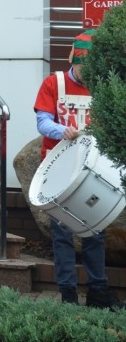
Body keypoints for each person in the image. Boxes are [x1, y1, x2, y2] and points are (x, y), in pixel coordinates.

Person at [33, 29, 124, 309]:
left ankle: (97, 291)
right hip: (57, 169)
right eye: (81, 65)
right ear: (73, 60)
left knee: (94, 232)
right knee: (62, 236)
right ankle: (68, 295)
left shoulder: (103, 84)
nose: (85, 72)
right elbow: (42, 122)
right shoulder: (54, 83)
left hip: (92, 170)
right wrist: (63, 131)